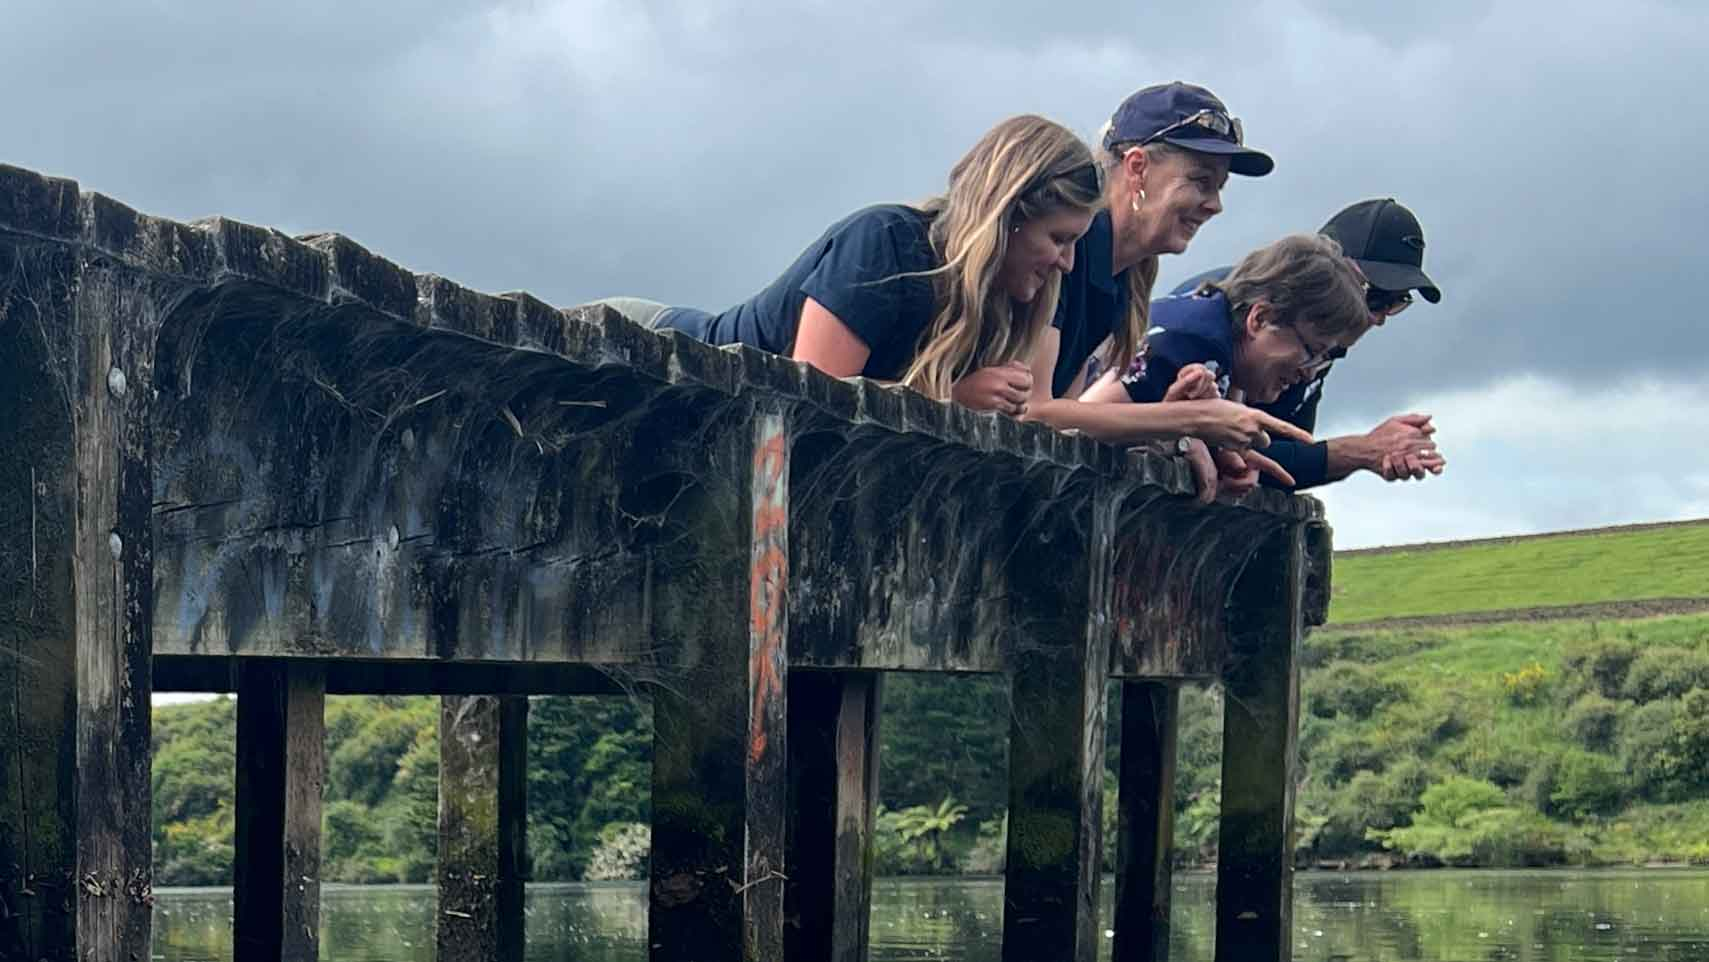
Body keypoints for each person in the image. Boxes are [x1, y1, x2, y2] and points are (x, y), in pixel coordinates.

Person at [583, 114, 1102, 414]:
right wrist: (950, 397)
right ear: (1009, 217)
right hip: (645, 343)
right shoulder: (886, 245)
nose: (1068, 263)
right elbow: (810, 394)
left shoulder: (1002, 302)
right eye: (1059, 239)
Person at [1014, 82, 1313, 484]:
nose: (1215, 205)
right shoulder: (1070, 251)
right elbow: (1033, 413)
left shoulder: (1127, 274)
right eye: (1200, 181)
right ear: (1137, 167)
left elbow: (1068, 421)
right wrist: (1190, 418)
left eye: (1219, 188)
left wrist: (1180, 436)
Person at [1168, 198, 1447, 489]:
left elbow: (1280, 453)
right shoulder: (1218, 311)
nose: (1378, 318)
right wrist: (1363, 450)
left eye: (1397, 302)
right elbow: (1169, 422)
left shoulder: (1315, 343)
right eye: (1375, 297)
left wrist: (1369, 452)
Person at [1080, 233, 1371, 494]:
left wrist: (1222, 452)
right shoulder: (1187, 343)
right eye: (1311, 351)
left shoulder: (1226, 350)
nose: (1308, 374)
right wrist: (1177, 433)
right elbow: (1076, 425)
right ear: (1260, 319)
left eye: (1322, 360)